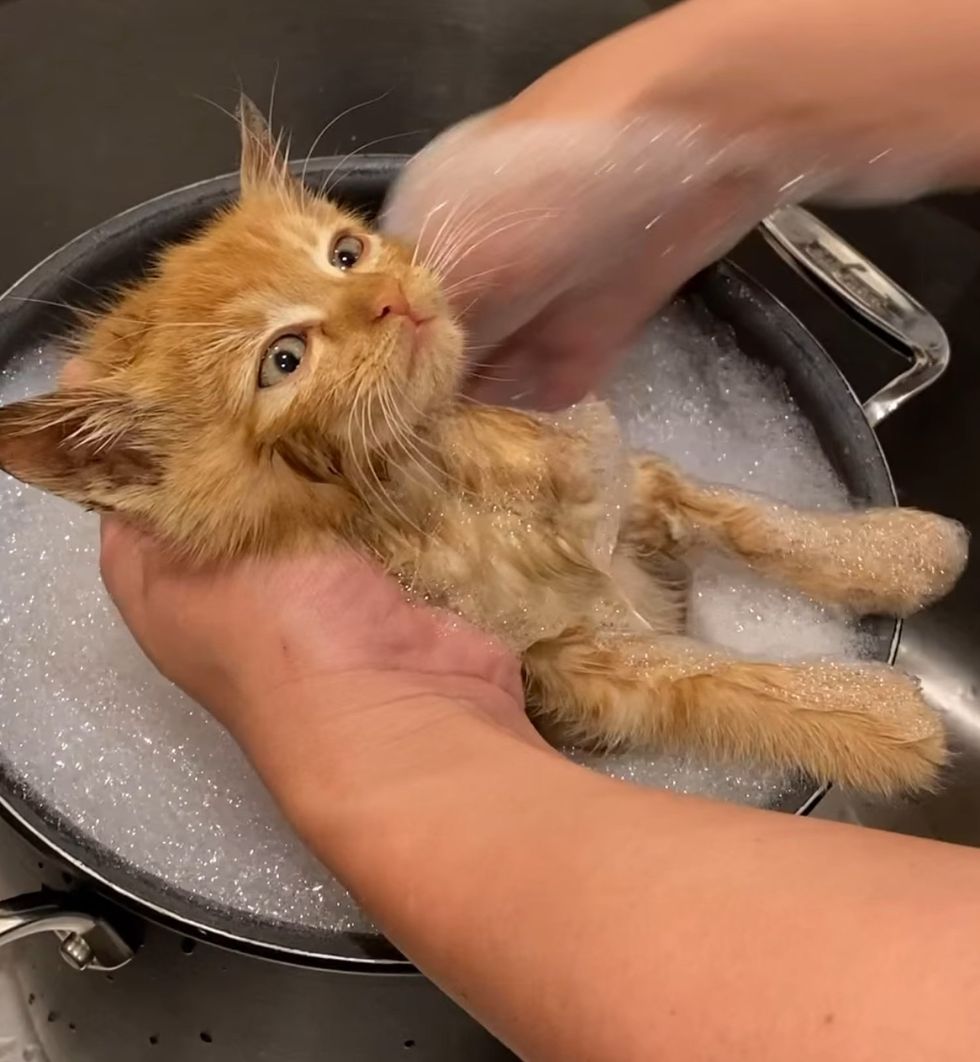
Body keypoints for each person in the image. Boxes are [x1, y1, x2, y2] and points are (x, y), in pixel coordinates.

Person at [101, 1, 980, 1058]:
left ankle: (789, 543)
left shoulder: (461, 421)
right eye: (283, 359)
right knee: (598, 664)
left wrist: (707, 115)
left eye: (342, 253)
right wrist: (719, 110)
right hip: (564, 666)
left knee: (644, 487)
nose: (377, 297)